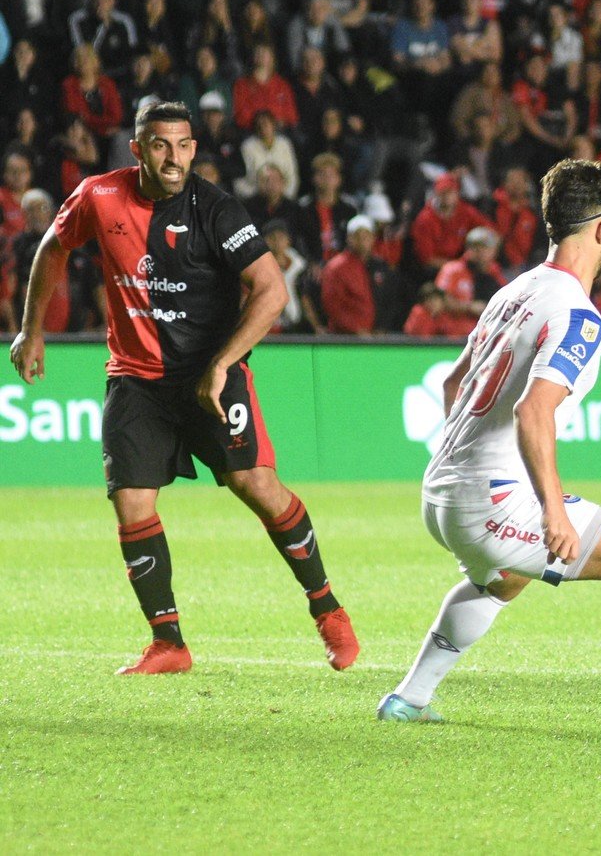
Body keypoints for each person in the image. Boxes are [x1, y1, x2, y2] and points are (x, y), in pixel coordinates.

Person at [378, 159, 601, 747]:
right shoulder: (580, 317)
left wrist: (465, 469)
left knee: (506, 581)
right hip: (490, 500)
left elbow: (452, 384)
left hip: (439, 492)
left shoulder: (513, 291)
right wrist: (552, 511)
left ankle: (408, 699)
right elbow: (533, 410)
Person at [8, 101, 357, 675]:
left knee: (256, 486)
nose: (173, 158)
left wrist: (223, 363)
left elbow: (272, 291)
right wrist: (32, 328)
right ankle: (168, 642)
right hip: (135, 379)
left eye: (183, 145)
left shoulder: (216, 210)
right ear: (137, 149)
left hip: (208, 376)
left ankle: (327, 609)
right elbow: (53, 245)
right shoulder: (99, 195)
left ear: (194, 148)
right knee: (131, 502)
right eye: (160, 145)